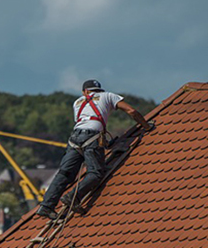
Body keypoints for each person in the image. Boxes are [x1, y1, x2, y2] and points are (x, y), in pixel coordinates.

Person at [36, 79, 153, 219]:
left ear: (85, 91)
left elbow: (85, 121)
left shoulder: (77, 102)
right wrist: (147, 126)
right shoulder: (108, 96)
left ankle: (46, 206)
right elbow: (131, 111)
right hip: (92, 136)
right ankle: (73, 196)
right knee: (96, 172)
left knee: (65, 174)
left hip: (74, 137)